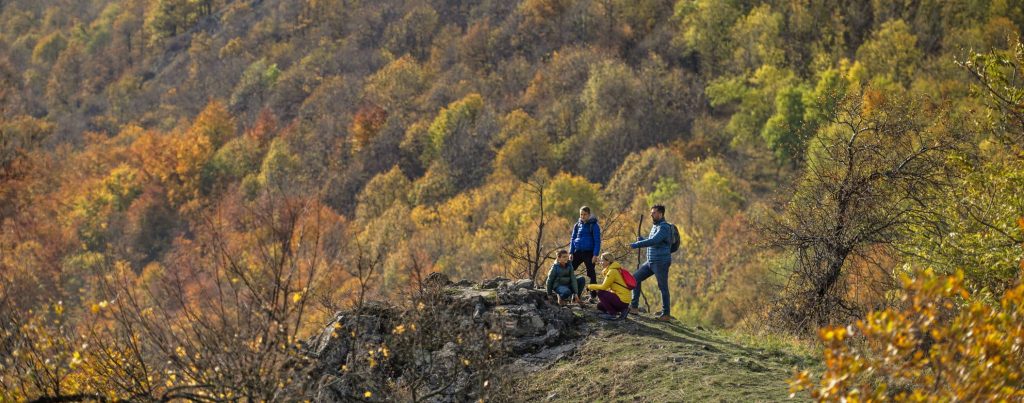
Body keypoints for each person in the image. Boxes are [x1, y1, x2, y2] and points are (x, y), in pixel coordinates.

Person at [628, 205, 674, 321]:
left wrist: (636, 244)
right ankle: (634, 307)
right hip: (650, 261)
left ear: (661, 214)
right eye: (651, 212)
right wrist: (642, 239)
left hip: (661, 262)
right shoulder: (655, 226)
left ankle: (666, 314)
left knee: (663, 287)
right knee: (634, 279)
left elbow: (654, 241)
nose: (651, 214)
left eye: (654, 213)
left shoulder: (664, 227)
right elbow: (654, 241)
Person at [586, 253, 631, 320]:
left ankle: (612, 314)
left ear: (608, 261)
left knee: (601, 293)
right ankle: (623, 310)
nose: (600, 262)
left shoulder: (612, 271)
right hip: (623, 300)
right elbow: (607, 287)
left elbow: (603, 287)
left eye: (602, 260)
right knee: (600, 306)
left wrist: (590, 286)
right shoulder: (614, 270)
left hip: (622, 300)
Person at [569, 206, 601, 300]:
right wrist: (571, 252)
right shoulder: (577, 225)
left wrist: (595, 254)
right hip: (578, 251)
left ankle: (593, 295)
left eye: (585, 214)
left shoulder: (594, 225)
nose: (582, 216)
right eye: (581, 214)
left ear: (589, 214)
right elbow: (573, 238)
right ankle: (570, 292)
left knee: (591, 274)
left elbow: (597, 241)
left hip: (589, 253)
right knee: (569, 269)